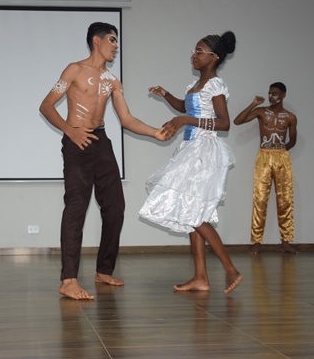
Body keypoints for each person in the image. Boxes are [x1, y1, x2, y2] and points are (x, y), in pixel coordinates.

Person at [40, 22, 170, 300]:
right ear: (96, 41)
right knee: (76, 206)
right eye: (112, 40)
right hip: (77, 142)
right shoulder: (74, 70)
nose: (116, 46)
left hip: (101, 142)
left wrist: (155, 132)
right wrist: (70, 131)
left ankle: (103, 270)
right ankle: (68, 280)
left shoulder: (112, 80)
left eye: (117, 41)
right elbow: (46, 106)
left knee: (115, 207)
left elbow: (126, 119)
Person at [140, 31, 243, 294]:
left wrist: (185, 120)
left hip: (204, 151)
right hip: (190, 149)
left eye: (198, 51)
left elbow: (224, 123)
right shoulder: (195, 85)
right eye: (193, 51)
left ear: (214, 57)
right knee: (191, 212)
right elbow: (185, 108)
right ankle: (200, 277)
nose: (193, 56)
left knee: (194, 213)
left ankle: (230, 269)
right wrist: (166, 95)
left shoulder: (215, 85)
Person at [233, 82, 299, 254]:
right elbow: (237, 121)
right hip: (263, 156)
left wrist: (281, 152)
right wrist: (253, 104)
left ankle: (285, 242)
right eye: (270, 93)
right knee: (260, 199)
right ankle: (257, 242)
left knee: (285, 200)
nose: (271, 97)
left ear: (283, 95)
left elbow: (292, 140)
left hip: (281, 157)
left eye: (275, 93)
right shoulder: (261, 112)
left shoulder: (290, 117)